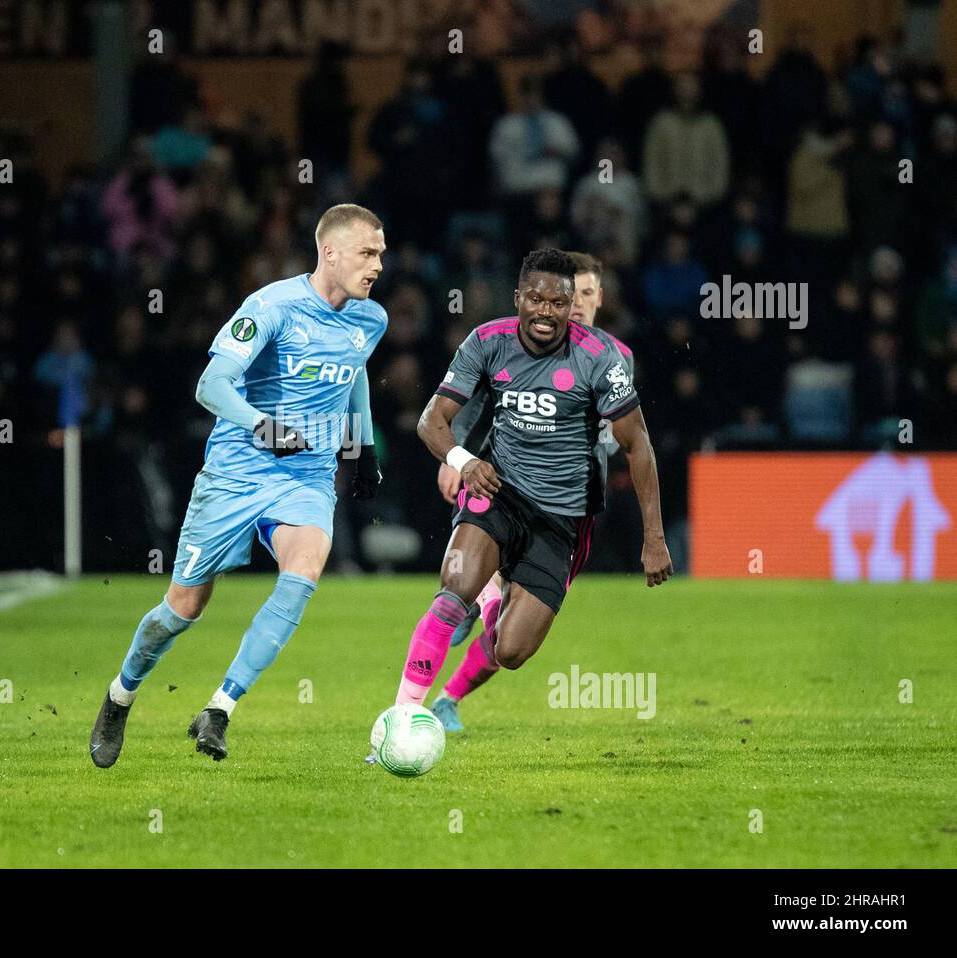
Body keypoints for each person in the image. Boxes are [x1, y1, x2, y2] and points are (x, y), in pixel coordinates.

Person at [92, 204, 388, 766]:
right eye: (367, 253)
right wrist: (263, 425)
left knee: (304, 570)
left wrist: (364, 444)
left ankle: (219, 708)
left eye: (380, 254)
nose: (377, 265)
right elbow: (212, 385)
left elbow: (355, 370)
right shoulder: (270, 306)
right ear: (330, 252)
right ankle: (120, 695)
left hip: (306, 475)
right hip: (235, 472)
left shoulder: (370, 319)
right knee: (182, 609)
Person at [386, 248, 670, 722]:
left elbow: (638, 444)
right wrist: (461, 458)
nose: (549, 311)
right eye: (537, 299)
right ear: (518, 297)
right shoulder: (487, 341)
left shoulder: (604, 357)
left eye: (560, 302)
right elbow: (435, 417)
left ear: (586, 301)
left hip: (563, 517)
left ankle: (491, 608)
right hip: (497, 492)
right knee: (451, 593)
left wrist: (654, 538)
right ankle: (398, 719)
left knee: (511, 650)